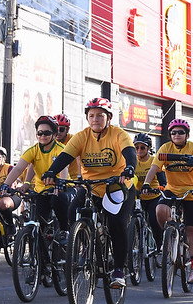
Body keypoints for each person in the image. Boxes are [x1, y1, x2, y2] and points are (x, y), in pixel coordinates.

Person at [43, 98, 137, 288]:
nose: (95, 119)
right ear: (87, 117)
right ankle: (87, 240)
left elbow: (129, 153)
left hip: (118, 187)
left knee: (117, 223)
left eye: (100, 115)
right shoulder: (82, 136)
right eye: (91, 115)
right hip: (92, 187)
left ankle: (119, 269)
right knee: (72, 214)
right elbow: (65, 156)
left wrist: (129, 168)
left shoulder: (118, 134)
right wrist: (52, 171)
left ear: (108, 118)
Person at [142, 118, 193, 285]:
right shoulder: (165, 148)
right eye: (173, 132)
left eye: (181, 132)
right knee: (160, 210)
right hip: (173, 189)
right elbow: (154, 168)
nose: (177, 135)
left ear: (187, 134)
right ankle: (169, 237)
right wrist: (146, 184)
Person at [0, 116, 71, 253]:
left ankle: (64, 231)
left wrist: (60, 185)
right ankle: (40, 267)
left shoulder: (61, 149)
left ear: (55, 135)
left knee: (58, 200)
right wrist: (6, 184)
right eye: (39, 133)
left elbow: (64, 169)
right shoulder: (33, 150)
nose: (42, 136)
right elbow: (18, 168)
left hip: (59, 189)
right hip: (41, 191)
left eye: (47, 133)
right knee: (40, 228)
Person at [132, 132, 163, 248]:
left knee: (154, 221)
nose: (139, 150)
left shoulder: (153, 161)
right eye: (136, 147)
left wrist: (162, 187)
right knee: (130, 220)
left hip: (153, 196)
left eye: (142, 147)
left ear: (149, 148)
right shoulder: (133, 161)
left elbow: (162, 179)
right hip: (137, 197)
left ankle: (159, 244)